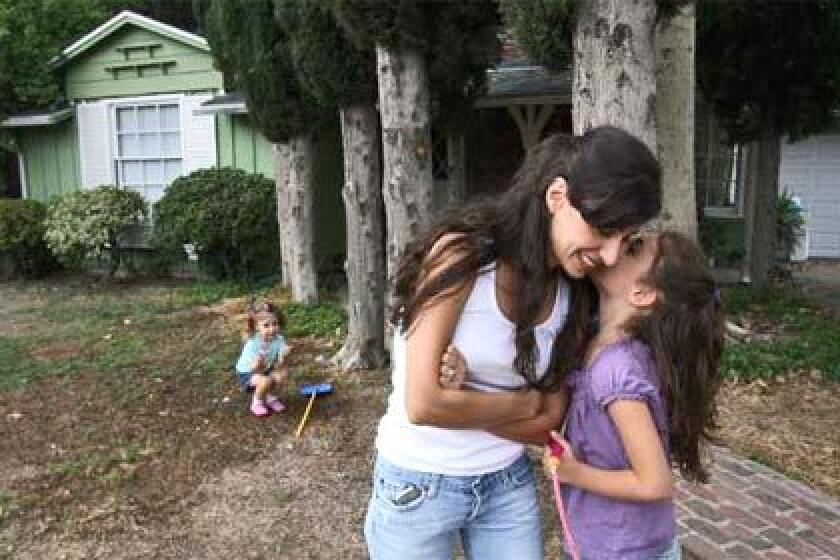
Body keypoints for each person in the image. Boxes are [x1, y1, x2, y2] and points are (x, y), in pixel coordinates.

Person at [364, 126, 662, 560]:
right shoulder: (461, 255)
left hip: (506, 482)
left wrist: (463, 399)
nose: (611, 256)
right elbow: (423, 405)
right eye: (604, 229)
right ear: (557, 196)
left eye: (626, 239)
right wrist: (521, 405)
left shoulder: (574, 290)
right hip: (417, 484)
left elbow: (551, 423)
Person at [540, 230, 725, 559]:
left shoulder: (617, 369)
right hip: (612, 542)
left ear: (641, 293)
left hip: (624, 550)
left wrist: (574, 473)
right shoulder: (606, 348)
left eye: (633, 248)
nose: (617, 245)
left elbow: (654, 482)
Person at [234, 300, 289, 418]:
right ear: (257, 327)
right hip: (247, 372)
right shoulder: (253, 343)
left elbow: (279, 364)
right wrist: (259, 363)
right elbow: (254, 368)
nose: (272, 329)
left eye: (275, 324)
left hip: (265, 368)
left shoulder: (279, 339)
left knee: (281, 375)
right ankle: (257, 402)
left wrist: (283, 356)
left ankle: (267, 396)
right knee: (265, 381)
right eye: (266, 325)